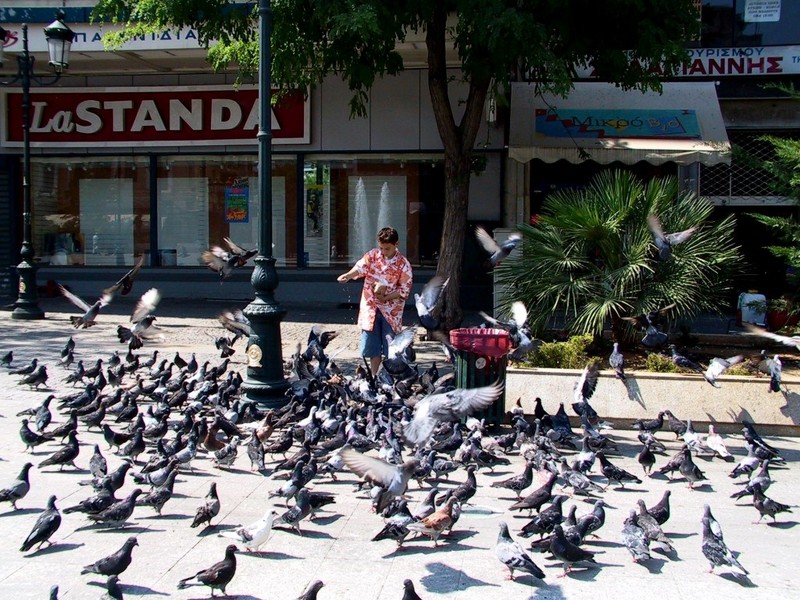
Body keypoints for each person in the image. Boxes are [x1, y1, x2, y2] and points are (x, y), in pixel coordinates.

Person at [337, 227, 413, 376]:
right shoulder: (373, 255)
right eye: (381, 248)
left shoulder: (404, 264)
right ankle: (374, 376)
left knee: (391, 348)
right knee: (372, 347)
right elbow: (360, 267)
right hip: (370, 308)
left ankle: (390, 377)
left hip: (391, 312)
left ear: (396, 244)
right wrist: (348, 275)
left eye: (387, 248)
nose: (383, 252)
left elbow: (404, 290)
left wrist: (386, 297)